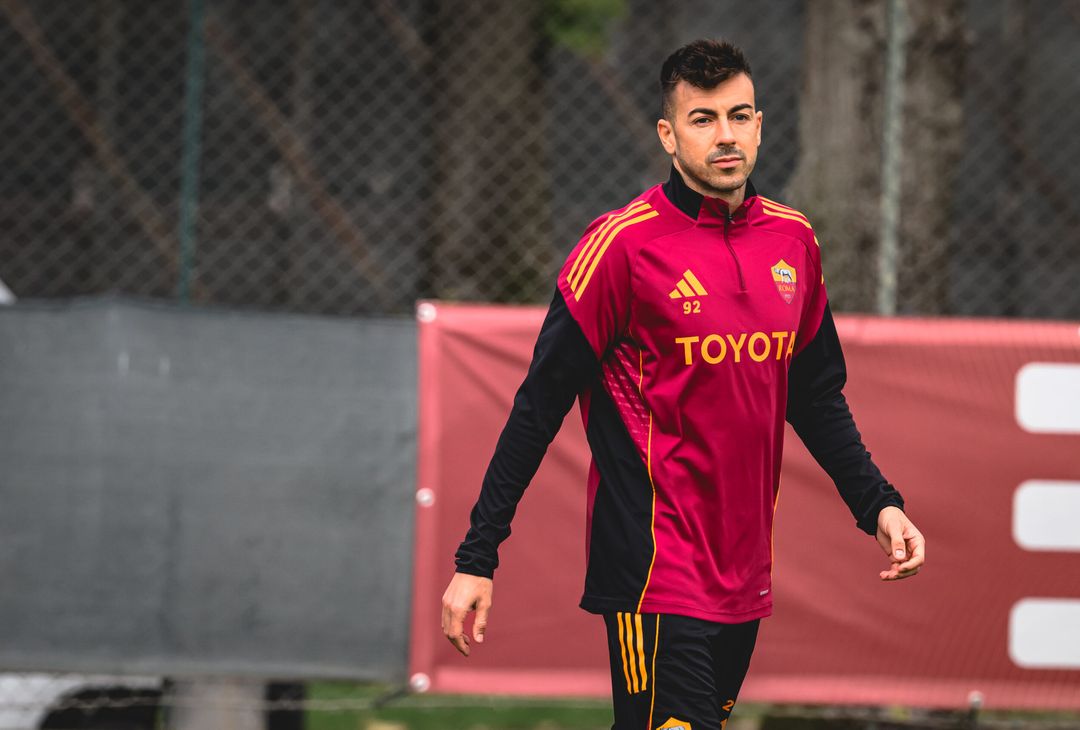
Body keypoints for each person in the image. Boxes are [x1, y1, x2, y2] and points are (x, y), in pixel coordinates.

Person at [441, 38, 925, 729]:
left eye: (738, 115)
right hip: (652, 568)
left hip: (743, 571)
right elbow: (538, 407)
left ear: (759, 125)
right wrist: (476, 557)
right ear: (669, 135)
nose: (725, 135)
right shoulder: (621, 248)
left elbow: (814, 397)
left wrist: (878, 504)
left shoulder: (793, 242)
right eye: (703, 119)